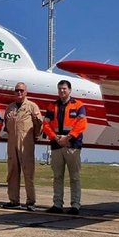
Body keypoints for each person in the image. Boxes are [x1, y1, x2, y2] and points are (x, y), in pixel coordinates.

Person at [43, 80, 87, 215]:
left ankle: (75, 205)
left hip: (72, 145)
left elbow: (82, 124)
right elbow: (46, 125)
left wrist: (68, 138)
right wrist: (56, 138)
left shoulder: (78, 105)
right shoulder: (52, 106)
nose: (62, 91)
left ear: (69, 90)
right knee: (57, 176)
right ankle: (57, 204)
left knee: (74, 177)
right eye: (60, 89)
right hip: (56, 145)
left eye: (64, 89)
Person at [3, 82, 42, 211]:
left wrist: (34, 137)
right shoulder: (10, 108)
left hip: (26, 143)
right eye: (17, 90)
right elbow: (6, 126)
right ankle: (14, 200)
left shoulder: (32, 106)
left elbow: (39, 125)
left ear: (26, 92)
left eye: (21, 90)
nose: (19, 93)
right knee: (12, 172)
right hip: (12, 142)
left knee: (28, 172)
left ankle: (31, 201)